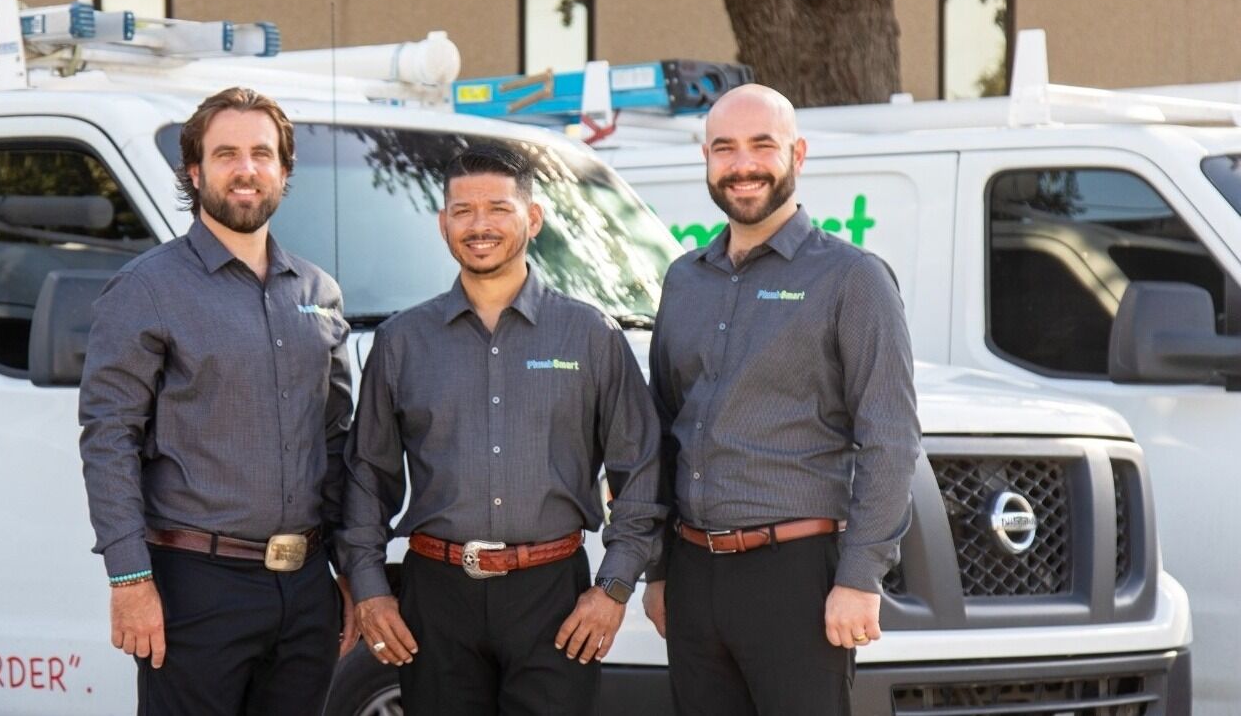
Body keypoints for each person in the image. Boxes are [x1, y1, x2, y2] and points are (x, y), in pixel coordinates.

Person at [338, 143, 664, 715]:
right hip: (436, 598)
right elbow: (367, 477)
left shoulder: (590, 335)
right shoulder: (401, 342)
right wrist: (368, 588)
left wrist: (613, 588)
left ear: (533, 218)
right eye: (463, 211)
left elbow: (640, 472)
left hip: (553, 596)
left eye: (498, 208)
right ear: (443, 223)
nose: (479, 225)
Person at [641, 84, 920, 715]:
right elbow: (661, 430)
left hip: (796, 576)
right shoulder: (683, 280)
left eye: (762, 145)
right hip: (692, 575)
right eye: (724, 148)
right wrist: (658, 569)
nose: (743, 165)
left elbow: (891, 439)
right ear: (706, 159)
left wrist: (860, 578)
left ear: (798, 153)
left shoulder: (852, 277)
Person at [79, 86, 356, 715]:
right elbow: (110, 438)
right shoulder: (146, 288)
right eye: (226, 154)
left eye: (262, 154)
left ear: (283, 171)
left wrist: (345, 572)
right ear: (195, 172)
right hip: (195, 588)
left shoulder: (319, 292)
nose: (246, 169)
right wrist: (129, 578)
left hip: (306, 588)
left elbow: (336, 440)